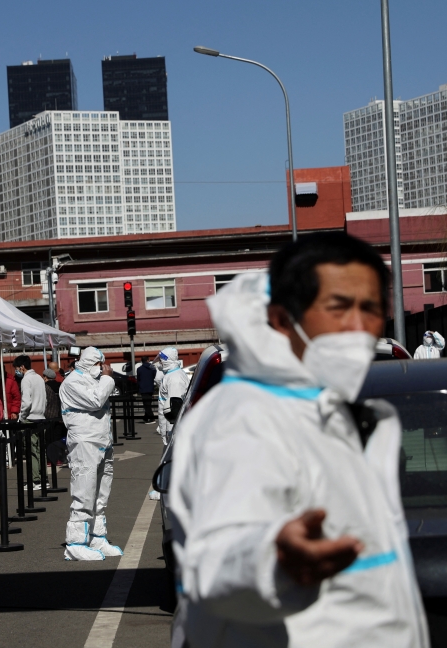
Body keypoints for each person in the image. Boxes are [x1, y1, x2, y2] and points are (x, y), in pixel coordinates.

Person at [167, 232, 428, 647]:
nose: (358, 326)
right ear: (283, 317)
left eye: (372, 308)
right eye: (338, 307)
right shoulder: (246, 418)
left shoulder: (323, 410)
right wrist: (274, 559)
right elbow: (218, 555)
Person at [59, 347, 123, 561]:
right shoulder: (72, 382)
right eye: (99, 364)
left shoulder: (95, 380)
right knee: (84, 492)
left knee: (100, 495)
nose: (103, 368)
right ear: (88, 363)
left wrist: (104, 379)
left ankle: (97, 536)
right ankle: (75, 543)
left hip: (101, 442)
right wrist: (107, 378)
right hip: (85, 443)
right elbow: (96, 400)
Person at [15, 355, 46, 483]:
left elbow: (26, 402)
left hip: (30, 418)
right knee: (40, 450)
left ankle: (35, 479)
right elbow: (45, 399)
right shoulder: (39, 377)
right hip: (41, 417)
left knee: (31, 451)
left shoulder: (26, 380)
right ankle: (42, 477)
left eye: (17, 368)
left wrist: (21, 417)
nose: (17, 371)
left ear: (22, 367)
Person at [157, 347, 190, 446]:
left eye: (161, 359)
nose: (159, 362)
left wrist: (171, 431)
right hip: (170, 426)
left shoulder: (175, 379)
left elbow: (174, 409)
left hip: (173, 428)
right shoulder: (172, 375)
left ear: (167, 360)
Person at [136, 356, 157, 424]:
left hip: (143, 388)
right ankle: (146, 417)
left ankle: (152, 418)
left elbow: (138, 379)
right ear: (148, 360)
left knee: (146, 404)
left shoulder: (139, 369)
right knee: (148, 404)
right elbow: (154, 376)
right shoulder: (152, 368)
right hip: (150, 387)